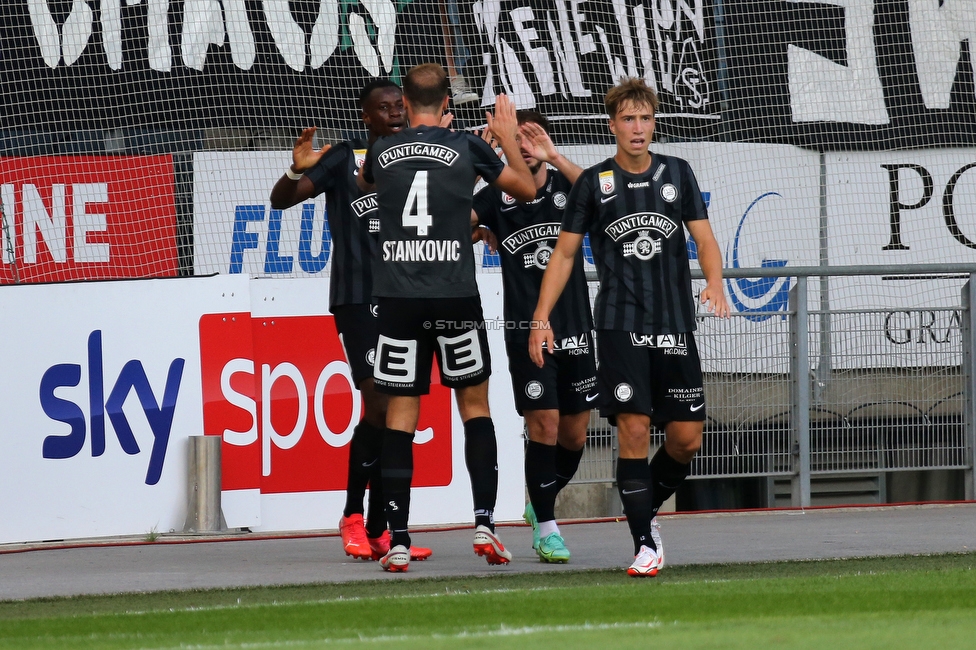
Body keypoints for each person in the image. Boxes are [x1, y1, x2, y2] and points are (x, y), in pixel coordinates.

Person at [529, 77, 731, 577]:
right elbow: (564, 255)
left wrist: (715, 282)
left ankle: (641, 504)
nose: (637, 128)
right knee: (633, 430)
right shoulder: (592, 185)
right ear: (612, 124)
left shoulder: (678, 174)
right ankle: (645, 542)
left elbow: (704, 239)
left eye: (645, 118)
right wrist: (540, 318)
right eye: (628, 119)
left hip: (675, 326)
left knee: (686, 439)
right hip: (619, 327)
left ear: (653, 122)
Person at [358, 62, 535, 572]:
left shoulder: (383, 151)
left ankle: (397, 538)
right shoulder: (468, 148)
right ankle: (484, 522)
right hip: (455, 295)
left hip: (398, 299)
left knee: (401, 416)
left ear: (406, 105)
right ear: (449, 108)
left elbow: (364, 181)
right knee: (474, 407)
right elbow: (524, 191)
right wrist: (501, 139)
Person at [269, 79, 432, 564]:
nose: (395, 114)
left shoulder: (416, 156)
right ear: (366, 116)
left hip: (405, 297)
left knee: (395, 411)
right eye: (383, 109)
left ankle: (383, 529)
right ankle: (351, 515)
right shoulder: (344, 158)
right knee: (378, 399)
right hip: (358, 300)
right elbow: (283, 200)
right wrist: (293, 169)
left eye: (399, 106)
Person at [471, 111, 594, 564]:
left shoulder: (570, 187)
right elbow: (448, 221)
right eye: (512, 141)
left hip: (576, 325)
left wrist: (556, 157)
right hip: (526, 331)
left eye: (530, 139)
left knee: (575, 434)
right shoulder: (493, 200)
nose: (522, 148)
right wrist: (474, 170)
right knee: (542, 423)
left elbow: (612, 197)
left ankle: (539, 501)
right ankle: (547, 526)